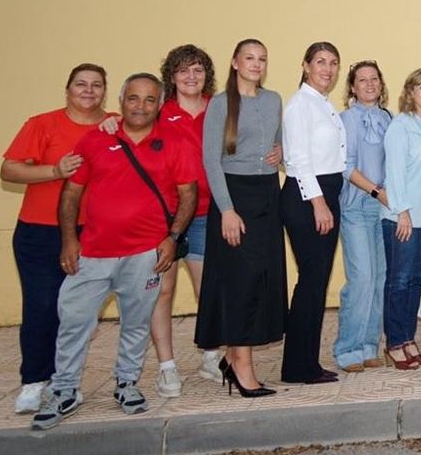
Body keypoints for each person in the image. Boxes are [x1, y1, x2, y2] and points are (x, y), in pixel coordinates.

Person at [30, 73, 196, 431]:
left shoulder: (174, 143)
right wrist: (69, 240)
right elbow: (71, 193)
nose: (141, 106)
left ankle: (126, 383)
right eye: (133, 98)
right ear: (122, 101)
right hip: (93, 253)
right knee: (74, 321)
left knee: (136, 323)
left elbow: (188, 194)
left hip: (146, 254)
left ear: (159, 104)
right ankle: (64, 390)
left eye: (150, 100)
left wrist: (172, 237)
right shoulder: (95, 140)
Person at [2, 64, 112, 414]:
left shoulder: (113, 124)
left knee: (79, 314)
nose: (88, 91)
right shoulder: (42, 124)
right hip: (40, 232)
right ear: (68, 90)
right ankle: (35, 381)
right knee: (42, 306)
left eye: (96, 85)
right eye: (81, 84)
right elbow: (9, 169)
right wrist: (54, 171)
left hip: (93, 232)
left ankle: (66, 381)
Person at [196, 39, 283, 397]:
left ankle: (235, 357)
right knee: (240, 283)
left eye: (262, 59)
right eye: (249, 58)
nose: (256, 64)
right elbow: (210, 160)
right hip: (234, 196)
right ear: (234, 62)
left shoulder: (274, 99)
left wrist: (281, 152)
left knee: (263, 278)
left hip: (267, 195)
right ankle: (241, 365)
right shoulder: (220, 105)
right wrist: (227, 210)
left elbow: (279, 144)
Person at [145, 46, 219, 393]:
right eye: (183, 70)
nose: (191, 77)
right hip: (165, 217)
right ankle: (166, 366)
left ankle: (210, 356)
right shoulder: (158, 111)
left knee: (209, 290)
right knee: (164, 290)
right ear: (171, 76)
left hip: (207, 213)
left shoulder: (219, 108)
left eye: (198, 70)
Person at [279, 42, 347, 385]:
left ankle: (304, 362)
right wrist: (318, 203)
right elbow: (299, 161)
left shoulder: (322, 104)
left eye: (334, 63)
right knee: (310, 282)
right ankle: (298, 367)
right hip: (309, 199)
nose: (328, 68)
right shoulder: (300, 105)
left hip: (326, 193)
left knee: (315, 283)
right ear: (306, 65)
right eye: (321, 62)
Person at [380, 68, 421, 370]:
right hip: (402, 217)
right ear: (410, 92)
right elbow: (394, 173)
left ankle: (408, 338)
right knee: (399, 281)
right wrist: (402, 211)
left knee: (415, 280)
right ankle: (394, 342)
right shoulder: (401, 126)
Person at [335, 60, 391, 374]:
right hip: (357, 205)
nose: (369, 84)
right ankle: (348, 349)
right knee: (362, 278)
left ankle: (370, 346)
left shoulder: (387, 117)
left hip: (383, 209)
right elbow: (345, 165)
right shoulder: (346, 119)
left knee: (381, 278)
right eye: (362, 80)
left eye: (374, 79)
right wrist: (376, 191)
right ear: (353, 87)